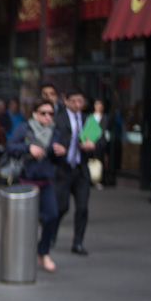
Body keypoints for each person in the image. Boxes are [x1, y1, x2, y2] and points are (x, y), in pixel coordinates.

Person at [7, 99, 64, 272]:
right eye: (43, 113)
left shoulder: (55, 132)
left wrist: (61, 153)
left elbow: (55, 159)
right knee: (24, 223)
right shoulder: (25, 128)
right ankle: (19, 256)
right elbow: (10, 147)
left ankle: (43, 252)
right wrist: (28, 148)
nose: (47, 117)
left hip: (45, 182)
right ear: (34, 114)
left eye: (50, 114)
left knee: (52, 216)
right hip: (26, 182)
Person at [52, 88, 102, 256]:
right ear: (66, 101)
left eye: (80, 101)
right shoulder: (58, 119)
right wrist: (55, 149)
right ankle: (51, 234)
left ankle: (78, 242)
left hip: (81, 170)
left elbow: (101, 140)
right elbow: (50, 139)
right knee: (61, 207)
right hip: (63, 169)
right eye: (74, 101)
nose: (77, 105)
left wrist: (93, 146)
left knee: (82, 208)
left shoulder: (88, 119)